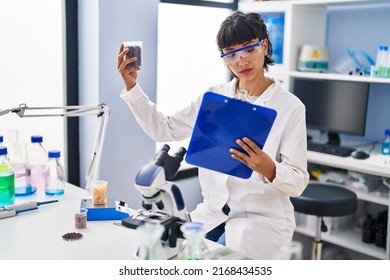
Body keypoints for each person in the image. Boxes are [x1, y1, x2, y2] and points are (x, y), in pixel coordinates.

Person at [117, 11, 309, 259]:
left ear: (264, 46)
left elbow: (298, 181)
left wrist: (268, 168)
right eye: (230, 54)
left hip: (261, 222)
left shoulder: (290, 107)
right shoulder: (214, 98)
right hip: (210, 214)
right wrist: (132, 86)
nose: (241, 60)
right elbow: (164, 129)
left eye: (248, 49)